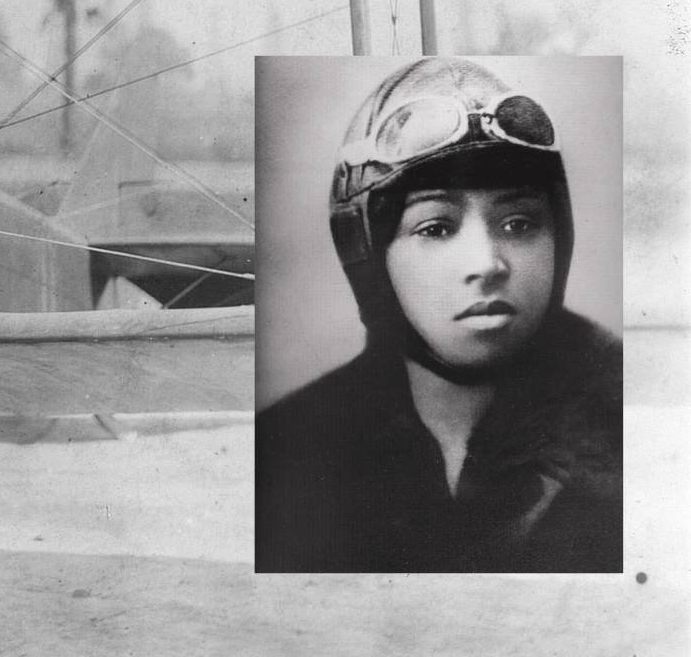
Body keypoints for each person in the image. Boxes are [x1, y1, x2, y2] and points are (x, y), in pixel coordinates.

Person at [256, 57, 621, 572]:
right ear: (368, 254)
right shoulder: (288, 448)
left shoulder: (637, 422)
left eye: (519, 224)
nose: (488, 265)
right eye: (435, 228)